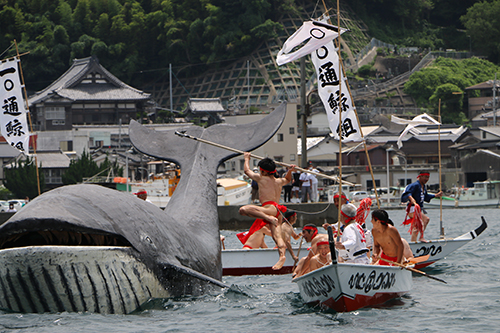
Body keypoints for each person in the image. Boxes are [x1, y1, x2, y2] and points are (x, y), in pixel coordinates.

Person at [239, 153, 295, 270]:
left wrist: (246, 158)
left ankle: (268, 218)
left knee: (244, 209)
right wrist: (290, 170)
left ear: (263, 171)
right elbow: (288, 179)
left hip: (269, 208)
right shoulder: (279, 181)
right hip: (278, 211)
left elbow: (247, 171)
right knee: (277, 236)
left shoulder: (261, 178)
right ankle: (282, 256)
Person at [401, 171, 443, 242]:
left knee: (416, 227)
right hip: (412, 208)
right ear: (420, 176)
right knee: (426, 219)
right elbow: (407, 192)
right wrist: (411, 199)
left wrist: (436, 195)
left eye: (428, 177)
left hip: (418, 209)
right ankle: (421, 237)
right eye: (425, 177)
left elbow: (425, 197)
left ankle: (413, 242)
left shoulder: (423, 186)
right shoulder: (415, 185)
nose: (427, 179)